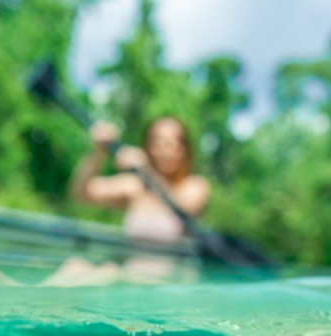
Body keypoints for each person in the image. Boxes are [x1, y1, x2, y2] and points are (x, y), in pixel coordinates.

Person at [44, 115, 210, 285]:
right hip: (130, 284)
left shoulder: (195, 186)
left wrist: (145, 170)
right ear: (148, 147)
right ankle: (29, 295)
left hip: (170, 286)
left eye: (172, 142)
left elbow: (182, 209)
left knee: (110, 271)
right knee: (75, 265)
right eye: (157, 142)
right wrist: (98, 151)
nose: (165, 149)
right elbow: (81, 192)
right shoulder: (135, 187)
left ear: (184, 149)